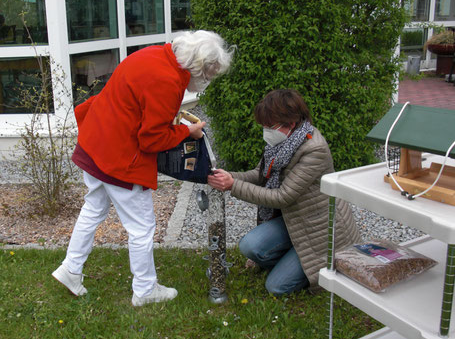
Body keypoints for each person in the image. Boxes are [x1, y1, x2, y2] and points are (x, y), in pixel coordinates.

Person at [52, 30, 234, 306]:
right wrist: (188, 132)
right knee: (142, 227)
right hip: (118, 157)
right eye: (208, 75)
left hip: (94, 143)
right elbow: (152, 140)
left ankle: (70, 269)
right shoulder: (169, 80)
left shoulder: (152, 54)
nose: (206, 81)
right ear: (197, 67)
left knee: (93, 209)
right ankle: (145, 289)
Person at [208, 89, 361, 295]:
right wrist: (229, 176)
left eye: (270, 127)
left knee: (277, 287)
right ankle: (294, 256)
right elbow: (259, 173)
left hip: (320, 230)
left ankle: (322, 264)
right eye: (264, 126)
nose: (265, 131)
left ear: (290, 122)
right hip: (295, 220)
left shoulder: (314, 150)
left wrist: (232, 185)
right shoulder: (283, 143)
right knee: (249, 246)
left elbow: (282, 197)